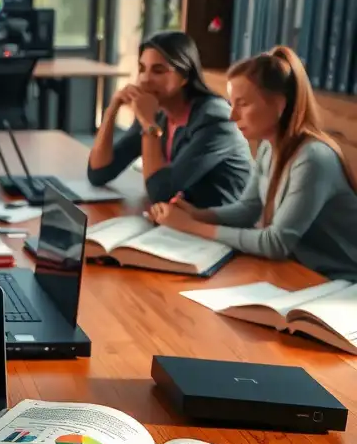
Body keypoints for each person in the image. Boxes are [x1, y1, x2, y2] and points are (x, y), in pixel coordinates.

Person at [149, 46, 357, 280]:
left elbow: (276, 243)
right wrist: (197, 214)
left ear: (280, 104)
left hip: (344, 285)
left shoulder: (313, 158)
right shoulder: (269, 146)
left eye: (243, 104)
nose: (232, 116)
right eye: (232, 103)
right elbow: (247, 210)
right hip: (303, 273)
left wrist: (190, 226)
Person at [87, 30, 252, 208]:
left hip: (223, 226)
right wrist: (112, 108)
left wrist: (148, 123)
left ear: (184, 76)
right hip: (183, 219)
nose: (144, 80)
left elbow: (160, 192)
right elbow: (98, 173)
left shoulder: (215, 120)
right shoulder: (159, 112)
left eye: (158, 71)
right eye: (142, 69)